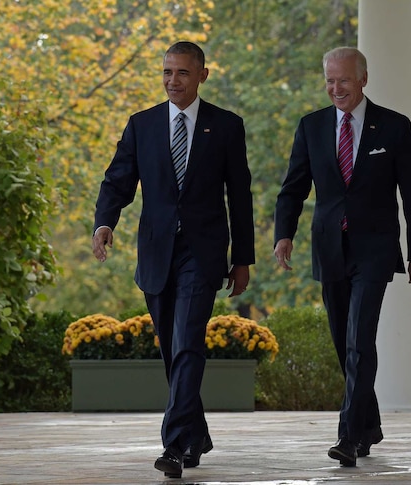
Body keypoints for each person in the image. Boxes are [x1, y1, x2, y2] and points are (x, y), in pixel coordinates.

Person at [92, 41, 255, 479]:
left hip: (202, 255)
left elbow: (239, 196)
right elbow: (117, 181)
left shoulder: (225, 126)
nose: (172, 81)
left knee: (187, 341)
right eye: (166, 72)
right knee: (172, 346)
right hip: (157, 252)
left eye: (182, 73)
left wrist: (242, 259)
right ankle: (195, 432)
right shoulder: (141, 125)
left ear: (202, 74)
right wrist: (105, 223)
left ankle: (175, 445)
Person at [273, 46, 411, 467]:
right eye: (329, 80)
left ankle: (347, 436)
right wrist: (283, 236)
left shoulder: (394, 127)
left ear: (363, 79)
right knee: (344, 342)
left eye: (343, 80)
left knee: (360, 339)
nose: (335, 88)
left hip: (375, 249)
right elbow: (293, 188)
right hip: (329, 247)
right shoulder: (311, 126)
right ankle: (368, 426)